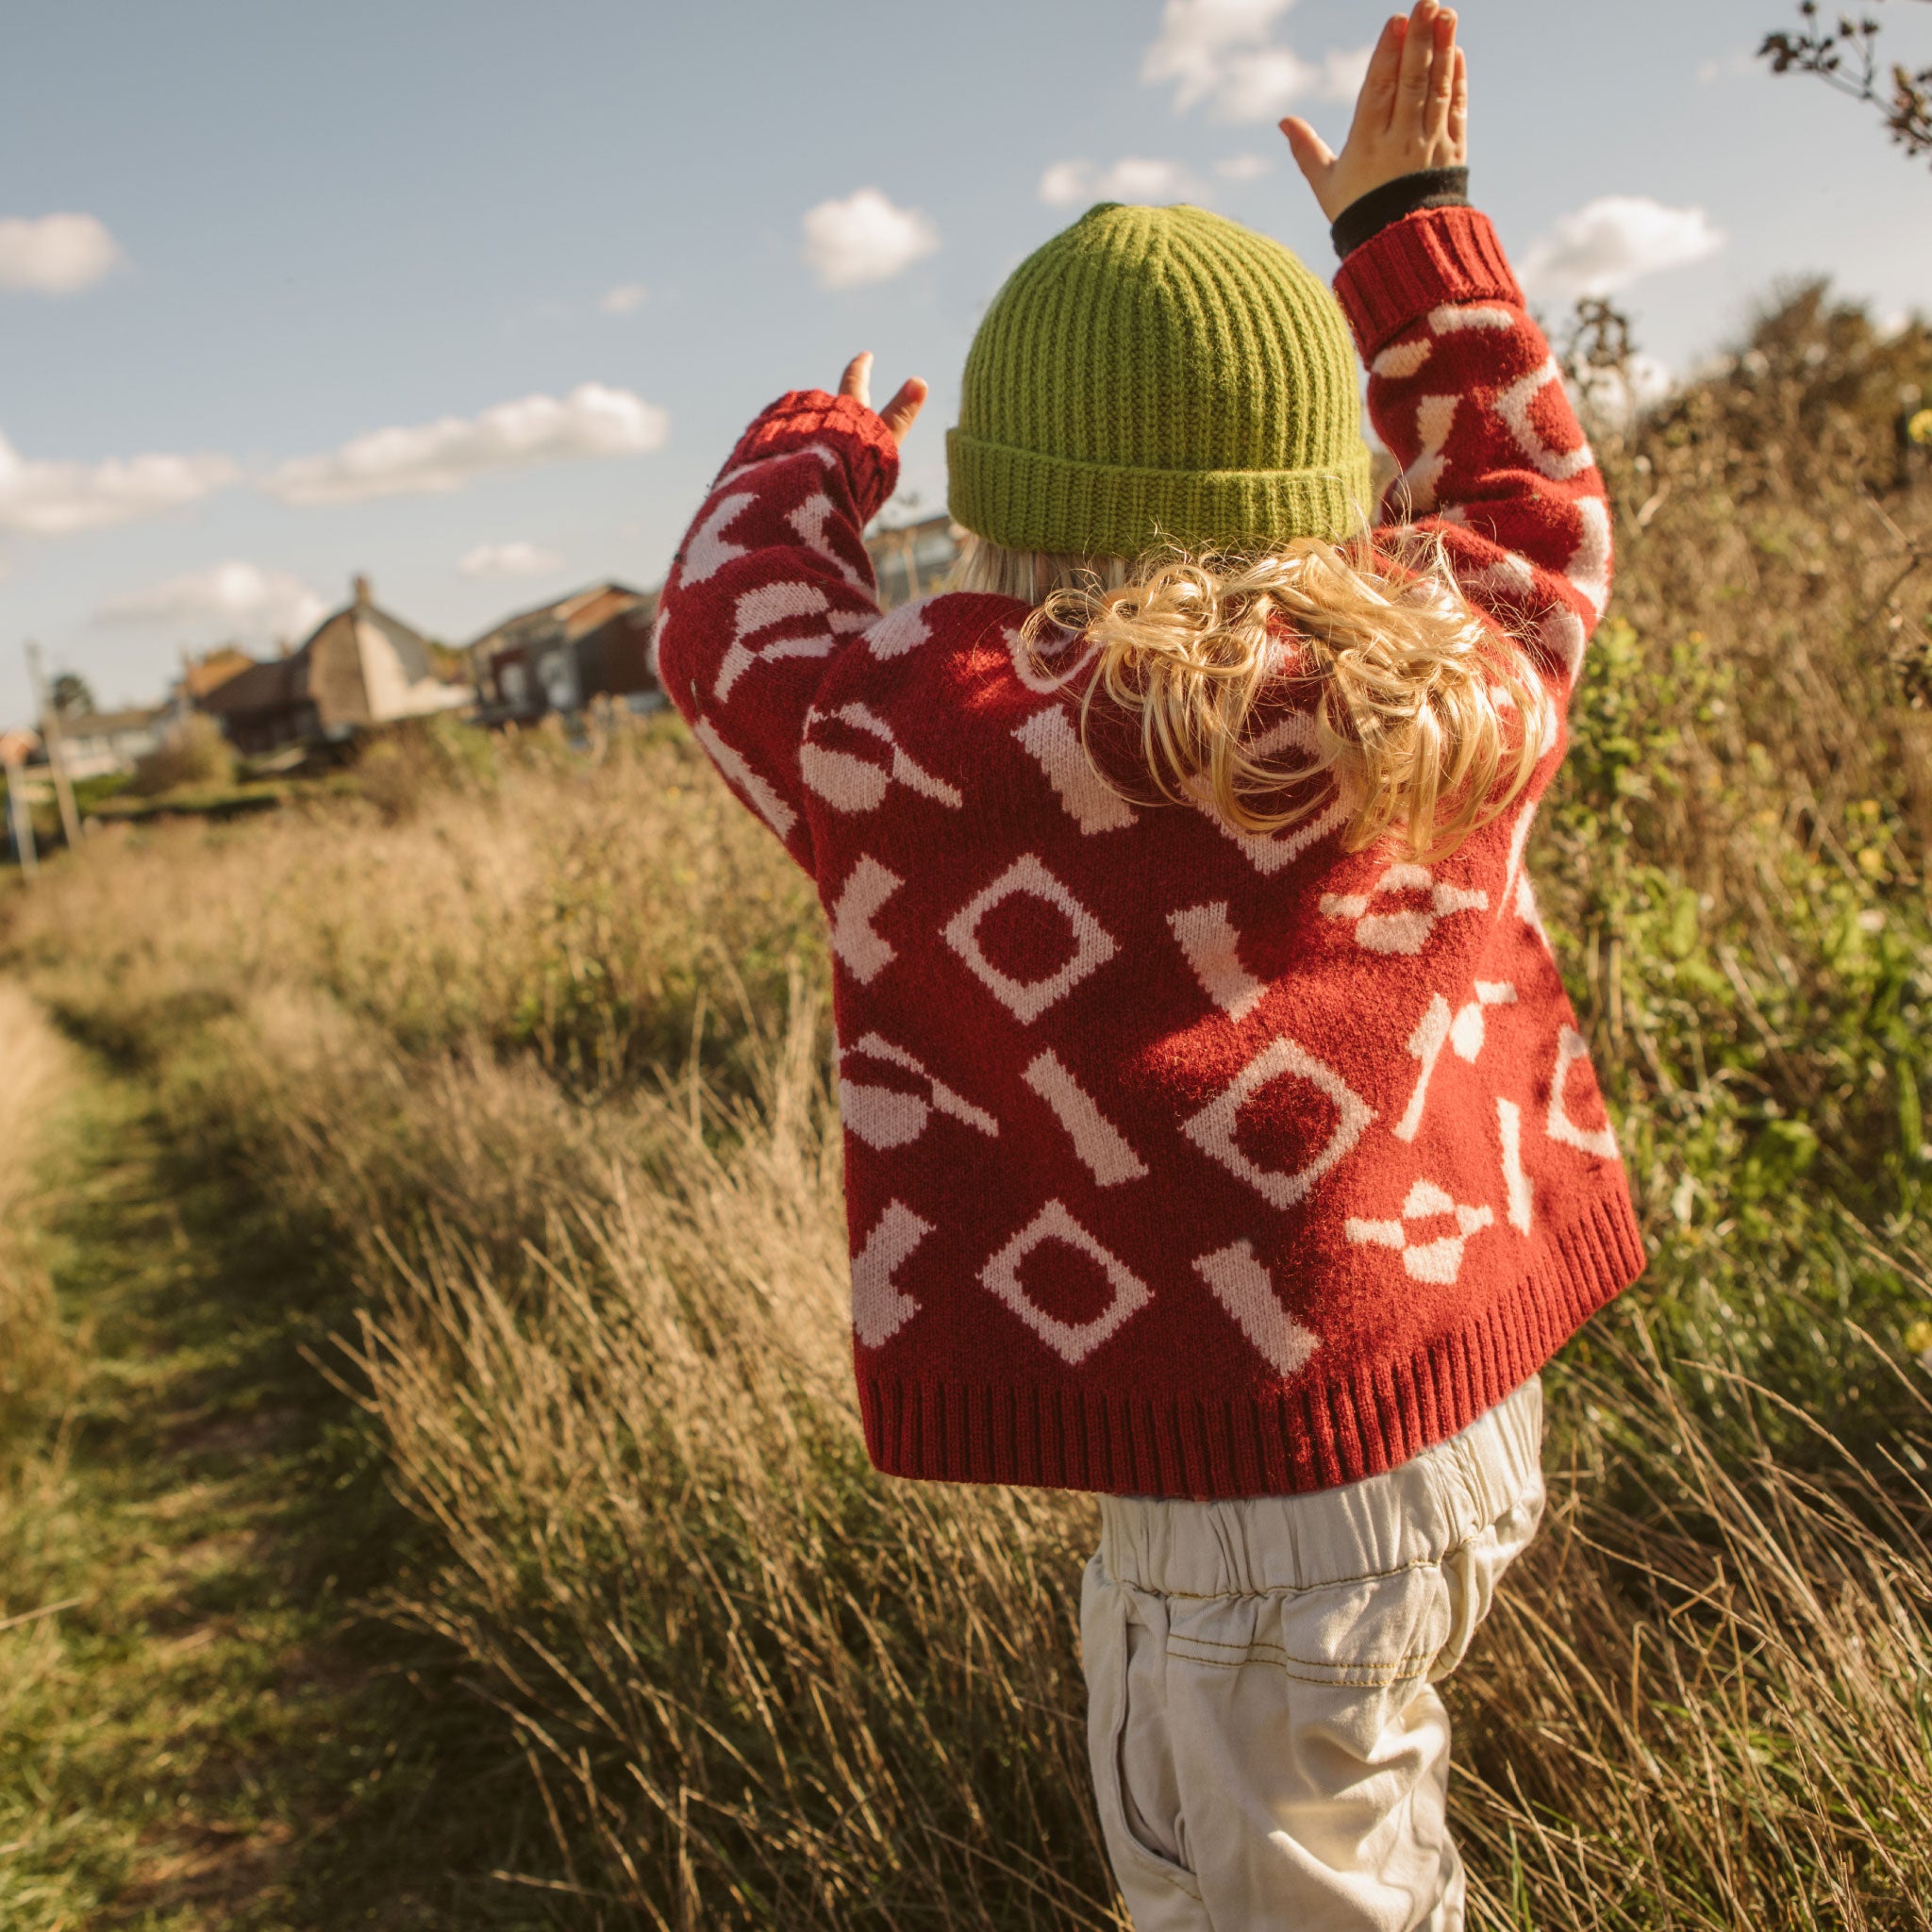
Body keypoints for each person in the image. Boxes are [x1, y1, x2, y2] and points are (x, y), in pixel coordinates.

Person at [655, 6, 1641, 1924]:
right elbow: (1534, 502)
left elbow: (717, 632)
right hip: (1457, 1408)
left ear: (1004, 514)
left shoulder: (928, 747)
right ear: (1318, 481)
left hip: (1242, 1513)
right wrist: (1412, 225)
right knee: (1369, 1841)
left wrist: (819, 449)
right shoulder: (1443, 670)